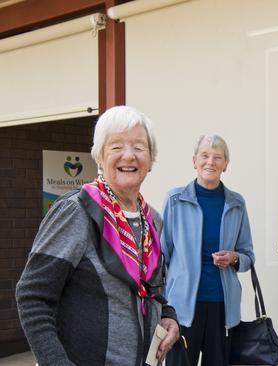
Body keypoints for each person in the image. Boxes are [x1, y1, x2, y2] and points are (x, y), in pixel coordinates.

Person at [16, 106, 180, 365]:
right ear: (99, 157)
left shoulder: (153, 220)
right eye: (116, 147)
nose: (129, 156)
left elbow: (151, 287)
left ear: (151, 159)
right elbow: (32, 295)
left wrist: (168, 314)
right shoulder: (76, 211)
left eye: (139, 147)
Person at [162, 134, 255, 366]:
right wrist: (160, 306)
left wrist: (234, 258)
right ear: (194, 161)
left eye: (217, 157)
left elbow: (248, 256)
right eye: (204, 156)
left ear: (226, 164)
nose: (210, 162)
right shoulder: (175, 200)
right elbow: (161, 256)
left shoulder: (237, 203)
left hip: (222, 308)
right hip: (181, 308)